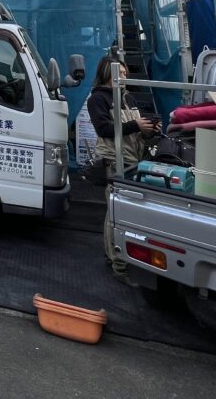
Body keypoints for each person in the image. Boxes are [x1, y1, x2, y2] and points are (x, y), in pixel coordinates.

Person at [85, 55, 161, 278]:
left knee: (120, 211)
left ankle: (120, 258)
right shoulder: (97, 99)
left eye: (126, 73)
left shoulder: (129, 99)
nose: (124, 76)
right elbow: (104, 129)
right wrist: (134, 124)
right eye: (121, 73)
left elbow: (132, 131)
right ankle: (117, 263)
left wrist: (147, 130)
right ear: (108, 73)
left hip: (133, 159)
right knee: (115, 213)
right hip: (114, 161)